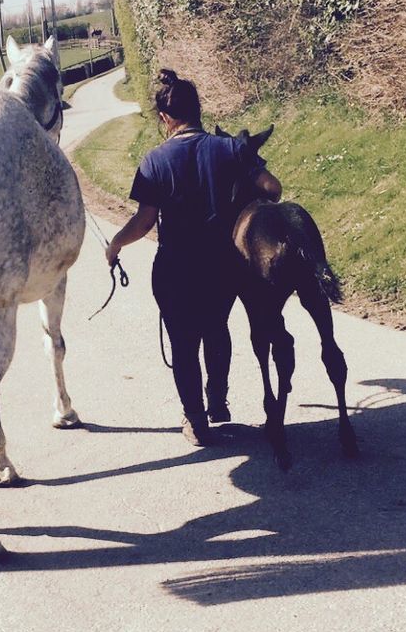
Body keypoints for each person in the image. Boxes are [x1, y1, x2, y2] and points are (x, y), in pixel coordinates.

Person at [105, 68, 282, 446]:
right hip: (223, 266)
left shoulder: (154, 161)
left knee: (183, 344)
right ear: (198, 110)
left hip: (176, 270)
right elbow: (272, 188)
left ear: (164, 118)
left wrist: (116, 244)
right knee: (217, 329)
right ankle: (217, 400)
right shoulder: (230, 149)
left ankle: (196, 421)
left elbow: (144, 222)